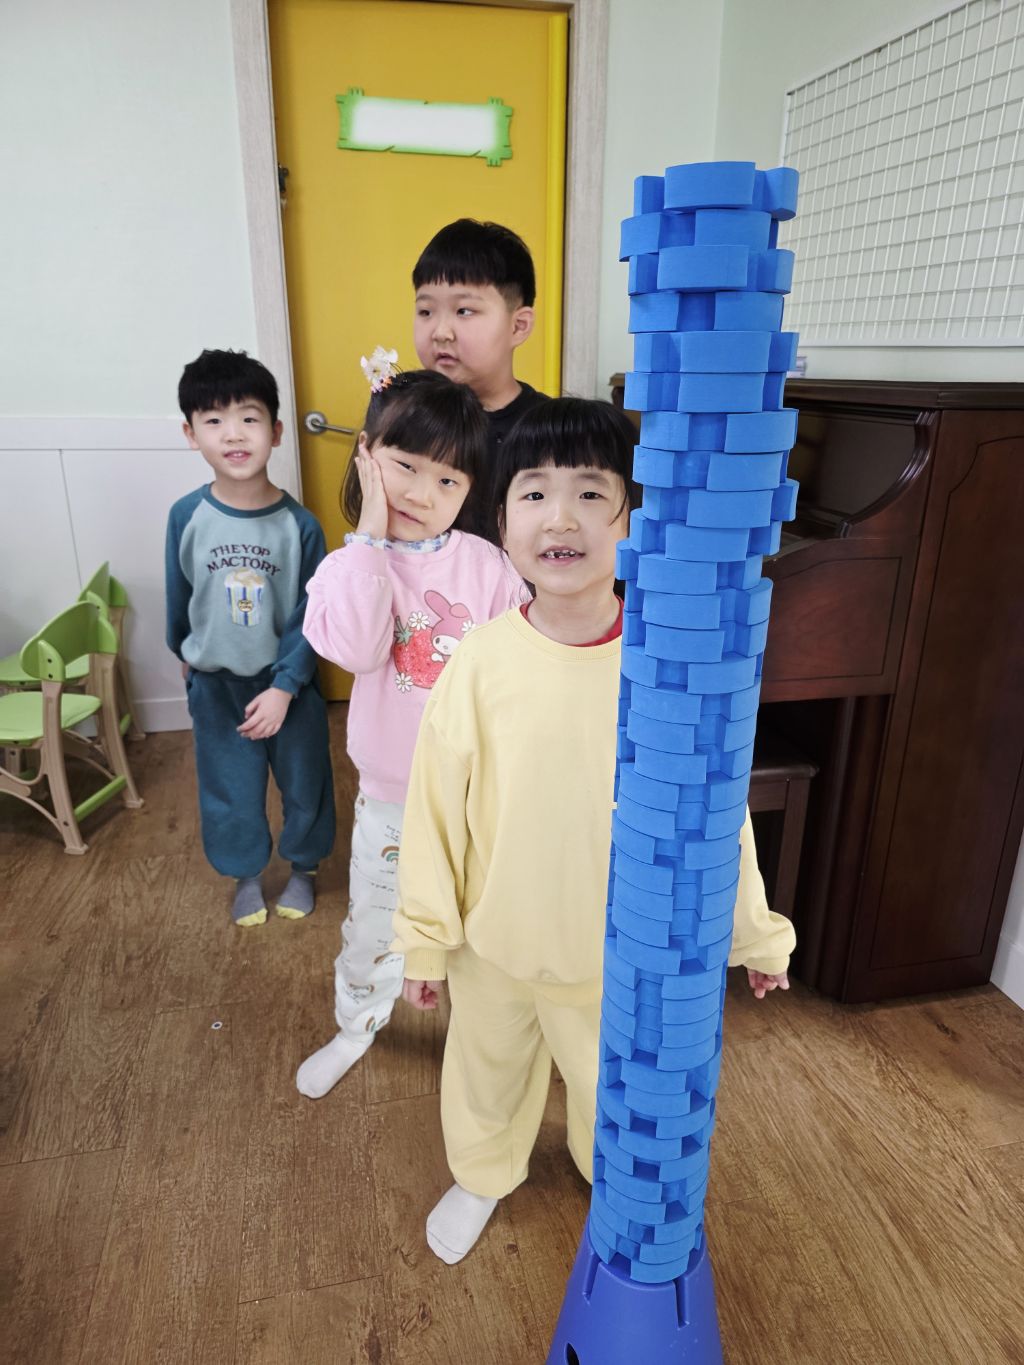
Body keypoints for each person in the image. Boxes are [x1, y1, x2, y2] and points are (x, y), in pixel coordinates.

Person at [393, 398, 795, 1265]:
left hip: (619, 955)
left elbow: (714, 818)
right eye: (534, 494)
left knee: (612, 1093)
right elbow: (433, 811)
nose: (561, 518)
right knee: (484, 1077)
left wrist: (754, 931)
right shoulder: (480, 661)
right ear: (501, 519)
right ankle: (482, 1173)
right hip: (494, 942)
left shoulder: (663, 670)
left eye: (590, 493)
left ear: (632, 518)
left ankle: (605, 1177)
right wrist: (424, 939)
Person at [295, 364, 528, 1099]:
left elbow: (520, 669)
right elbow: (359, 650)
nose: (423, 494)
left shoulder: (488, 567)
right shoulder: (345, 568)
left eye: (448, 480)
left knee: (481, 928)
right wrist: (369, 537)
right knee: (377, 924)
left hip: (478, 796)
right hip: (395, 798)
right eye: (404, 467)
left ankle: (483, 1041)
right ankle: (356, 1024)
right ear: (366, 456)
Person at [166, 348, 335, 926]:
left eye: (249, 417)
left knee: (305, 784)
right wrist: (186, 655)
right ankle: (245, 875)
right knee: (229, 790)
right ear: (191, 435)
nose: (233, 433)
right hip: (217, 687)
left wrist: (286, 686)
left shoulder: (300, 525)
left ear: (276, 431)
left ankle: (304, 868)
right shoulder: (185, 516)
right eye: (214, 420)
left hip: (288, 685)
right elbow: (179, 595)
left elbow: (313, 616)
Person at [413, 218, 550, 461]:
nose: (441, 333)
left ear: (518, 326)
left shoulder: (550, 431)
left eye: (464, 311)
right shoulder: (404, 416)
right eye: (425, 312)